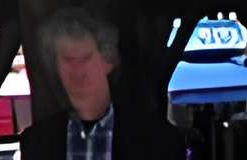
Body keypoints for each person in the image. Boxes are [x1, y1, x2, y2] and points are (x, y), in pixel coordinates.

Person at [18, 9, 195, 160]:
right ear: (56, 66)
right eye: (67, 59)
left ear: (108, 61)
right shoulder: (36, 142)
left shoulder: (160, 138)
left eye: (85, 58)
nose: (76, 70)